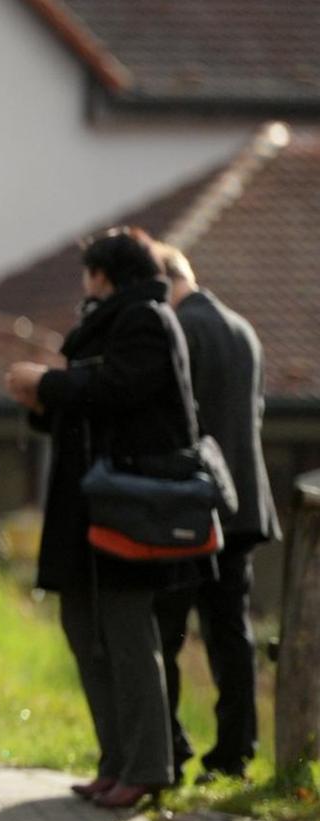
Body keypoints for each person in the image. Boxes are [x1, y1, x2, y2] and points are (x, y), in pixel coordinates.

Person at [5, 228, 200, 809]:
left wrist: (50, 384)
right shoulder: (105, 322)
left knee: (126, 637)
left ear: (104, 275)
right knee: (86, 632)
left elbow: (121, 391)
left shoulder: (145, 319)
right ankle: (114, 759)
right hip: (87, 507)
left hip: (127, 509)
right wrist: (47, 401)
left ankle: (146, 765)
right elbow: (88, 407)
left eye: (89, 273)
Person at [151, 243, 280, 781]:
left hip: (195, 504)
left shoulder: (180, 331)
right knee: (232, 631)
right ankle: (235, 752)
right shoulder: (242, 329)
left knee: (168, 629)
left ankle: (169, 748)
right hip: (245, 502)